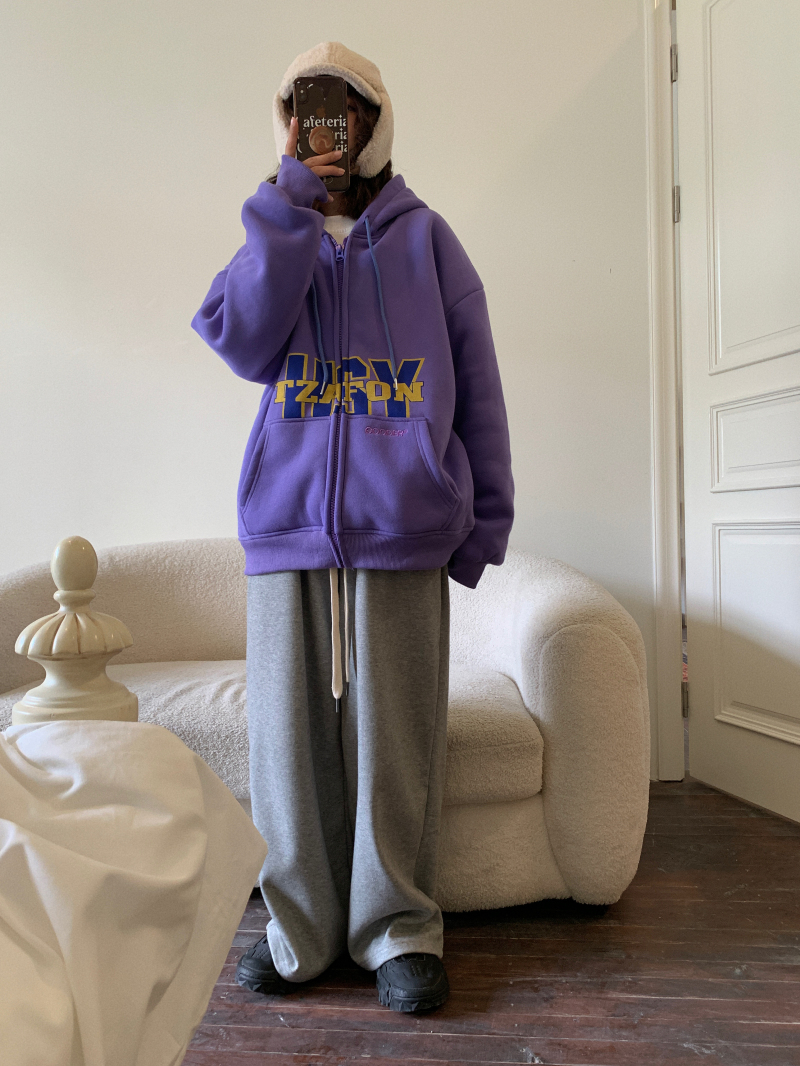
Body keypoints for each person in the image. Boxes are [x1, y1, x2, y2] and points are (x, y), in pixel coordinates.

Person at [191, 41, 514, 1014]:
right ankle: (297, 930)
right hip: (287, 526)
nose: (327, 125)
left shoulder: (427, 242)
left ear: (375, 123)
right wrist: (287, 205)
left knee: (397, 740)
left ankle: (398, 928)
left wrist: (481, 522)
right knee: (286, 746)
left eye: (346, 108)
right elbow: (241, 339)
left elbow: (479, 386)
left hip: (403, 525)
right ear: (287, 124)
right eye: (306, 109)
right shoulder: (272, 229)